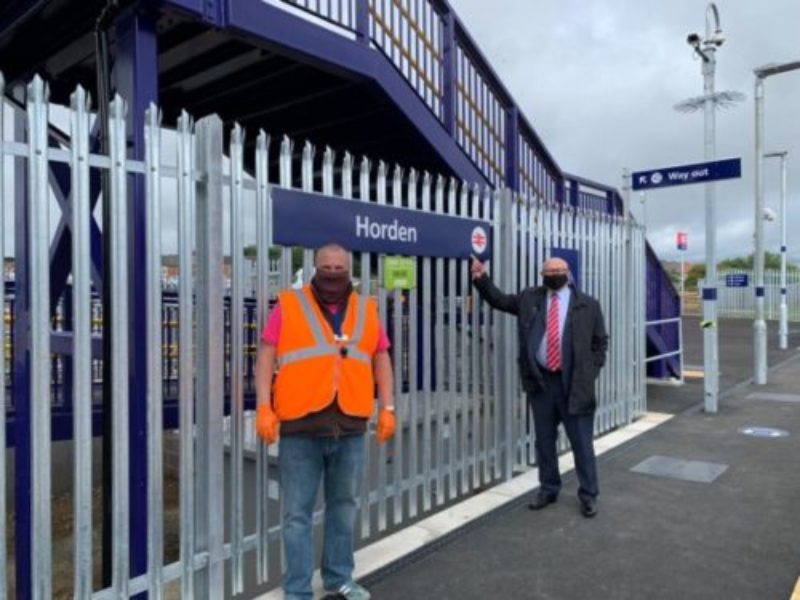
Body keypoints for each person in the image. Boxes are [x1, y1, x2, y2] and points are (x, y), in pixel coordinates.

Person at [255, 243, 396, 600]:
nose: (333, 273)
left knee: (344, 507)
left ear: (349, 270)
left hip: (350, 425)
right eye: (326, 266)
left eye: (339, 267)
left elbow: (381, 358)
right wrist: (263, 406)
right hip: (301, 426)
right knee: (297, 516)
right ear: (314, 268)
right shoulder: (290, 304)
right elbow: (267, 353)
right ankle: (298, 591)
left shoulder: (366, 309)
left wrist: (389, 408)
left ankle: (339, 577)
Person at [470, 256, 608, 517]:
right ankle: (548, 488)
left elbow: (600, 342)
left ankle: (589, 495)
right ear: (542, 274)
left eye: (559, 270)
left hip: (575, 384)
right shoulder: (530, 299)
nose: (554, 274)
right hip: (542, 382)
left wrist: (590, 372)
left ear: (568, 273)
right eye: (549, 271)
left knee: (582, 443)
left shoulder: (588, 305)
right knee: (544, 441)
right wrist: (481, 279)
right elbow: (500, 300)